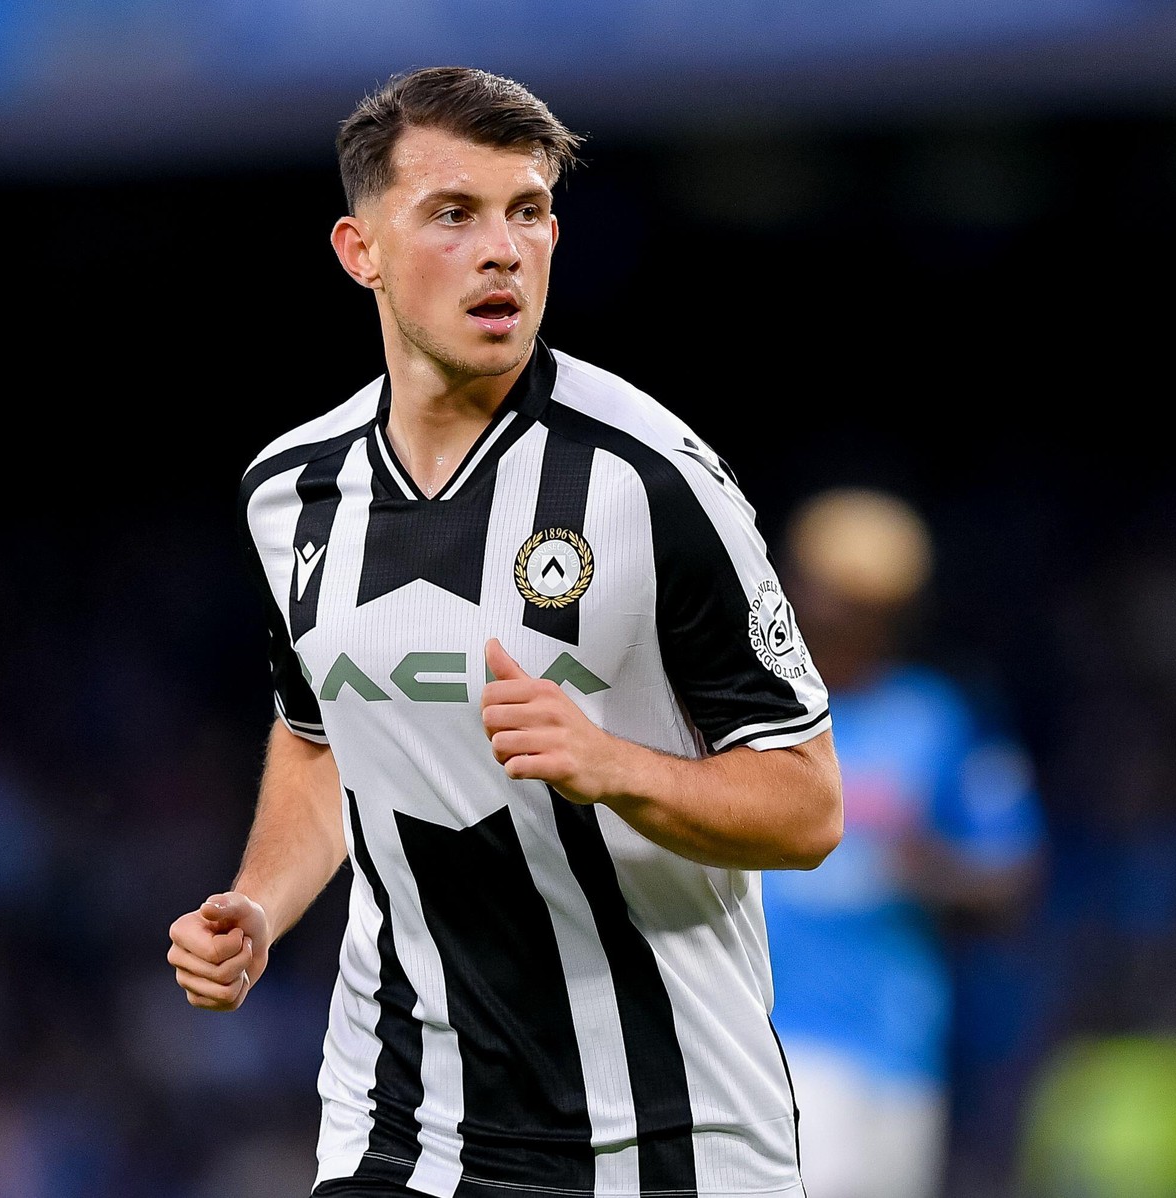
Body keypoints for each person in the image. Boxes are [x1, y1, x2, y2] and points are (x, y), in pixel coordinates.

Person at [166, 66, 843, 1198]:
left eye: (527, 211)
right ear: (359, 250)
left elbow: (811, 802)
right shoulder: (290, 492)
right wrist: (261, 905)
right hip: (400, 1122)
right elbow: (324, 732)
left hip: (668, 1130)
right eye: (454, 214)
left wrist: (612, 765)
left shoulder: (650, 480)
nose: (503, 250)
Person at [761, 489, 1044, 1198]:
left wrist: (929, 868)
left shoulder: (935, 717)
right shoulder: (744, 708)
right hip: (779, 1035)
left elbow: (1012, 878)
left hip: (901, 1045)